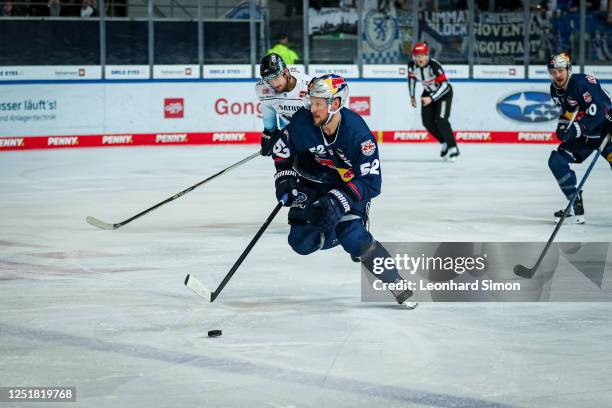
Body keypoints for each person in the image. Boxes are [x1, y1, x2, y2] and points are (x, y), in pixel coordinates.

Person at [271, 74, 414, 305]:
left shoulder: (358, 135)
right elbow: (282, 151)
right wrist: (285, 179)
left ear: (335, 104)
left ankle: (395, 281)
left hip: (348, 186)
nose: (312, 108)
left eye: (319, 103)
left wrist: (338, 201)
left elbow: (371, 182)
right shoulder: (301, 123)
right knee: (300, 242)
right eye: (311, 101)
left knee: (354, 237)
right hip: (313, 183)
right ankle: (332, 230)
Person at [547, 52, 612, 224]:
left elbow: (600, 112)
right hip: (588, 134)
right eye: (553, 72)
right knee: (556, 161)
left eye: (560, 70)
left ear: (568, 69)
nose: (557, 75)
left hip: (607, 129)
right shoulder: (555, 89)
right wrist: (562, 124)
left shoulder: (582, 83)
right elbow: (568, 110)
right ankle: (574, 202)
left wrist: (575, 129)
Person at [408, 42, 459, 161]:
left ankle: (453, 148)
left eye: (422, 55)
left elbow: (445, 85)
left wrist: (431, 98)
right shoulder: (411, 66)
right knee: (427, 122)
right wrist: (412, 96)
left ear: (427, 55)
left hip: (444, 93)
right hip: (428, 93)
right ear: (414, 57)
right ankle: (444, 142)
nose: (420, 58)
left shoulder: (434, 65)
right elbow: (411, 80)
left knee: (441, 120)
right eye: (417, 56)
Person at [255, 53, 311, 156]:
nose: (274, 84)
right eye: (269, 80)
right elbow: (268, 113)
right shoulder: (263, 88)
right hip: (288, 135)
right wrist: (269, 133)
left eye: (276, 78)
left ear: (286, 72)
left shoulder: (308, 87)